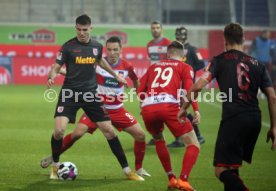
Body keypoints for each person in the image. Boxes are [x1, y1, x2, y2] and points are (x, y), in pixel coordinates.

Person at [178, 23, 276, 191]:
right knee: (232, 168)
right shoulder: (258, 64)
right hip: (255, 120)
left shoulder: (219, 60)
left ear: (225, 40)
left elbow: (198, 85)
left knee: (220, 170)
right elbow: (272, 97)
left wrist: (184, 108)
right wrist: (274, 127)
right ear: (243, 40)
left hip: (233, 119)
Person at [45, 14, 143, 181]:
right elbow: (56, 66)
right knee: (59, 131)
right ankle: (54, 165)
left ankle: (127, 171)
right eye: (78, 29)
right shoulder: (68, 47)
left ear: (91, 28)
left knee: (109, 131)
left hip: (90, 94)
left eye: (84, 29)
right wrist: (52, 76)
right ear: (75, 28)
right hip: (70, 93)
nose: (81, 33)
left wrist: (116, 76)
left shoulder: (97, 46)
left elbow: (100, 61)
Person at [138, 41, 200, 190]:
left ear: (167, 54)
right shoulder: (185, 67)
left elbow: (140, 88)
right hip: (169, 106)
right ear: (183, 55)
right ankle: (183, 180)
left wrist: (143, 104)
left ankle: (171, 178)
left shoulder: (154, 66)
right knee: (193, 144)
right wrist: (195, 109)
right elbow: (189, 90)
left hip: (148, 107)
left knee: (159, 139)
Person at [167, 26, 205, 148]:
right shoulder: (176, 49)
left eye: (181, 35)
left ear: (186, 35)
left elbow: (201, 64)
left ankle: (181, 139)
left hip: (187, 85)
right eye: (178, 35)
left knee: (179, 110)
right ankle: (197, 135)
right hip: (176, 85)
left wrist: (189, 72)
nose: (179, 37)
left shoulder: (192, 49)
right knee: (181, 110)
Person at [146, 20, 171, 145]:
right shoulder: (149, 45)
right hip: (154, 82)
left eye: (157, 27)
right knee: (153, 109)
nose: (155, 30)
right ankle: (157, 135)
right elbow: (151, 63)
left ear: (162, 29)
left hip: (166, 82)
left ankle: (180, 136)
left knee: (170, 108)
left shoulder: (168, 43)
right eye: (153, 27)